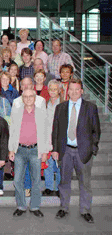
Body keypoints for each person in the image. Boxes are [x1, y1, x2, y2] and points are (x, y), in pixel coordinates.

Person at [52, 78, 101, 223]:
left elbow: (96, 131)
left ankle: (85, 210)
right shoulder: (60, 108)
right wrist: (55, 149)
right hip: (65, 151)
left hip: (83, 152)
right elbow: (56, 131)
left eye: (76, 89)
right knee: (64, 181)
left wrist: (92, 149)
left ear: (81, 91)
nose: (73, 92)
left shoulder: (91, 108)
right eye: (71, 89)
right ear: (68, 92)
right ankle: (63, 208)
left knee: (85, 183)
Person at [9, 89, 49, 218]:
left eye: (31, 96)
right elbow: (12, 131)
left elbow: (46, 133)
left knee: (36, 180)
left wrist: (45, 151)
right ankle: (21, 205)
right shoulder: (16, 112)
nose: (28, 99)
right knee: (17, 180)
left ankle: (35, 206)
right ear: (22, 98)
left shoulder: (42, 112)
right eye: (25, 97)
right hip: (19, 150)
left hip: (36, 151)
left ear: (35, 97)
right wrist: (11, 149)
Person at [42, 80, 63, 197]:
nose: (53, 92)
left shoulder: (64, 104)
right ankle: (49, 187)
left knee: (60, 164)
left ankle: (60, 187)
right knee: (48, 164)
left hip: (59, 138)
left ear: (59, 90)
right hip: (47, 137)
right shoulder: (45, 104)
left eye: (55, 89)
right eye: (51, 89)